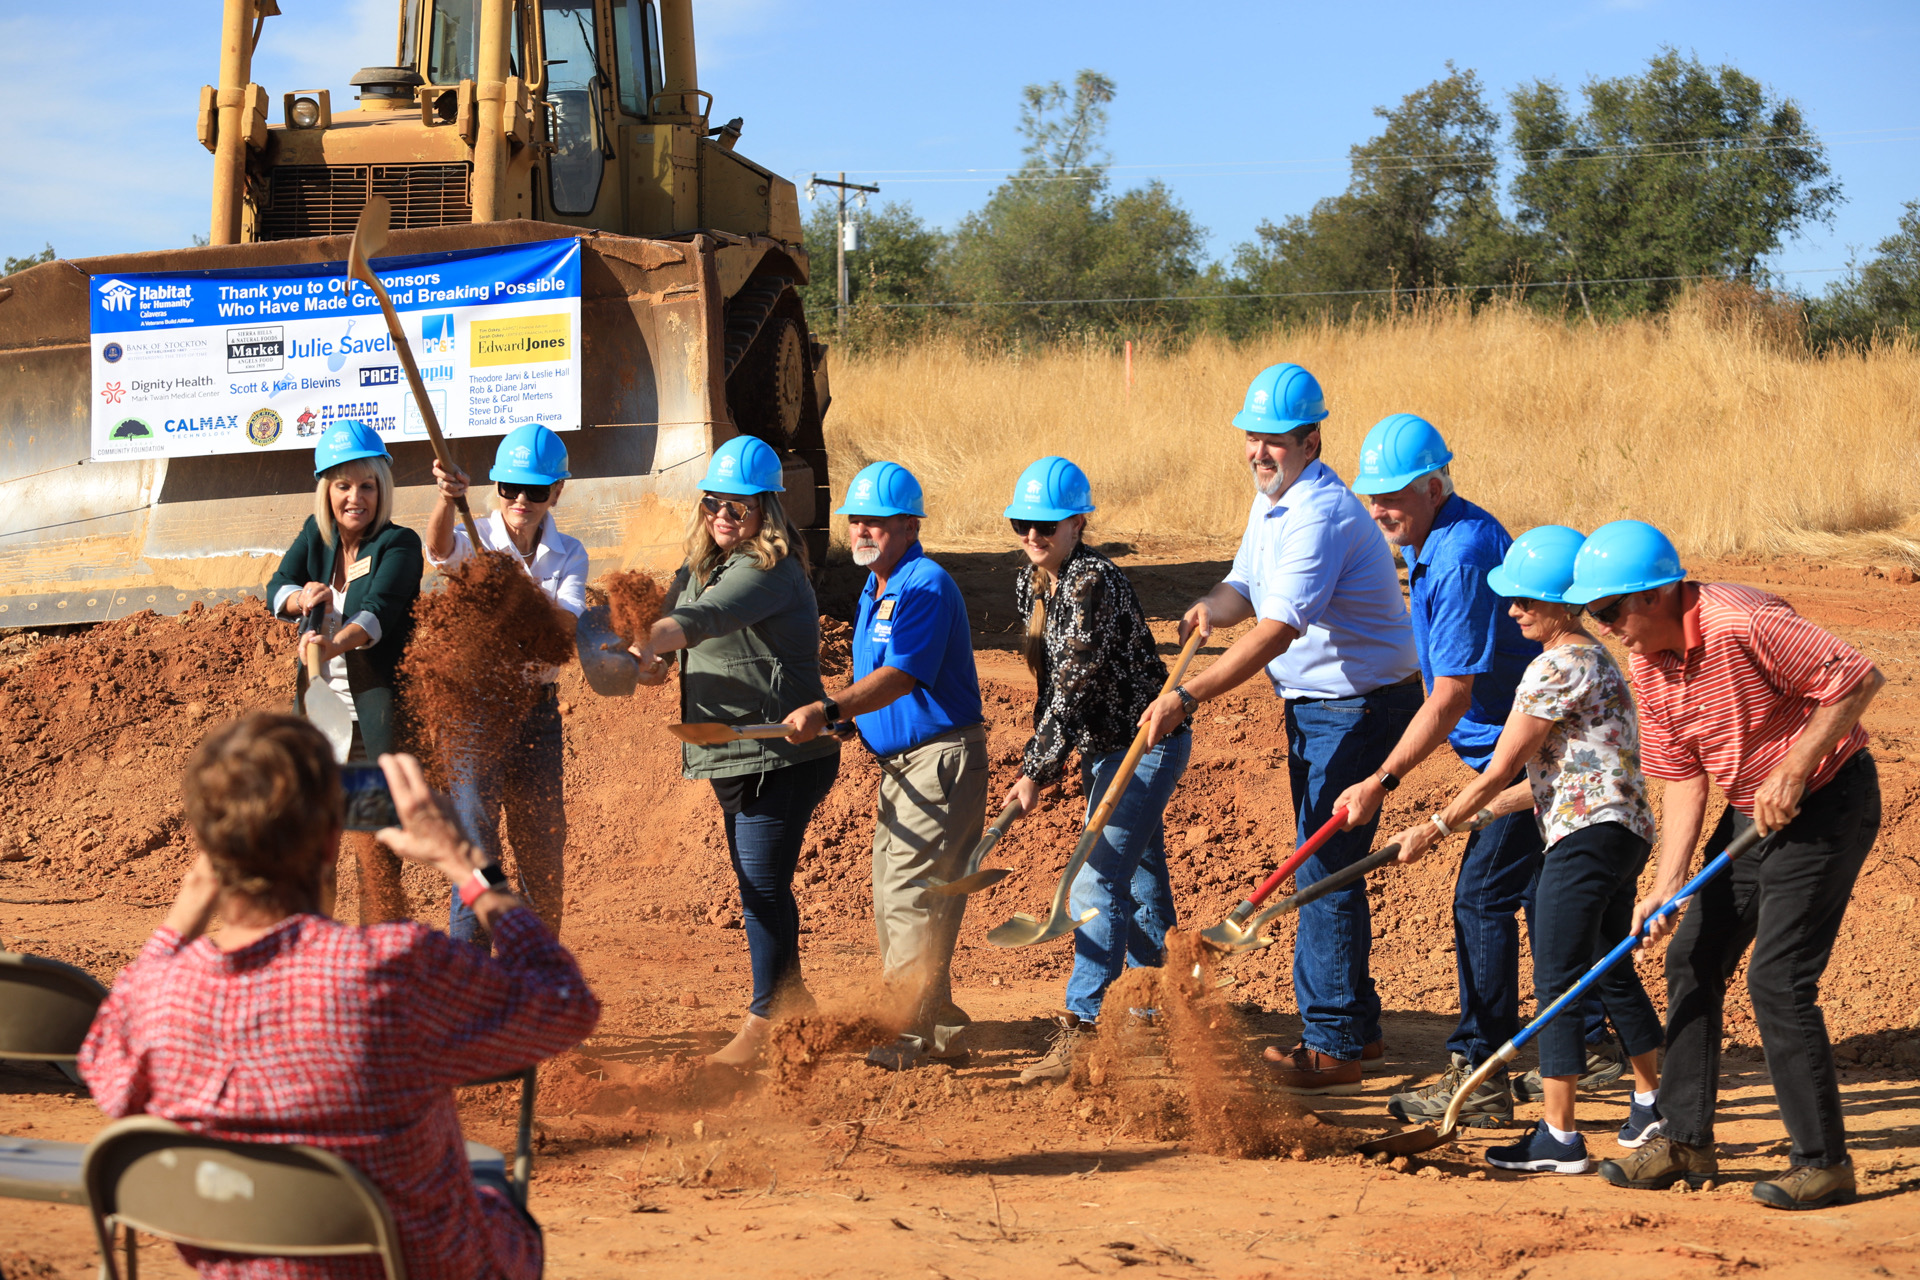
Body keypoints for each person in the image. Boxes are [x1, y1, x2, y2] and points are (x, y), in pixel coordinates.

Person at [78, 712, 601, 1280]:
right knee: (496, 1202)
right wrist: (465, 863)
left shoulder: (156, 995)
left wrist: (188, 906)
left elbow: (103, 1064)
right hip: (417, 1267)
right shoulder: (392, 968)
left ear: (207, 845)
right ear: (333, 837)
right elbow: (565, 1002)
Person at [1571, 522, 1885, 1210]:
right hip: (1750, 812)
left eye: (1607, 612)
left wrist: (1796, 769)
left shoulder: (1743, 623)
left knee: (1778, 977)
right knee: (1692, 958)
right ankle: (1685, 1141)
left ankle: (1823, 1162)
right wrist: (1664, 887)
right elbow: (1683, 779)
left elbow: (1858, 676)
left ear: (1654, 595)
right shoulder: (1649, 664)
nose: (1605, 627)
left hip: (1828, 801)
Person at [1138, 363, 1421, 1095]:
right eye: (1252, 439)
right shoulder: (1274, 503)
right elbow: (1244, 588)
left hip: (1358, 708)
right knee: (1325, 861)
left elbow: (1275, 632)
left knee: (1322, 869)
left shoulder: (1320, 513)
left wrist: (1188, 696)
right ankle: (1355, 1026)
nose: (1260, 453)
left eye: (1275, 441)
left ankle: (1332, 1045)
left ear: (1311, 439)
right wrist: (1210, 605)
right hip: (1319, 708)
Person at [1338, 414, 1618, 1126]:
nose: (1380, 510)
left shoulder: (1459, 555)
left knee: (1482, 899)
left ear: (1435, 486)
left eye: (1394, 495)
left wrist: (1383, 781)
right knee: (1538, 902)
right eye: (1372, 497)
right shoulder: (1437, 537)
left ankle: (1481, 1075)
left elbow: (1451, 694)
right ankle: (1590, 1039)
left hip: (1529, 761)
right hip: (1526, 756)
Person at [1388, 526, 1666, 1174]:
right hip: (1617, 831)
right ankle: (1654, 1099)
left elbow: (1498, 769)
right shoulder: (1595, 660)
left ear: (1563, 605)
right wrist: (1468, 819)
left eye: (1526, 600)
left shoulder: (1554, 666)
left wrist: (1435, 825)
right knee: (1606, 964)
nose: (1512, 609)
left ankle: (1560, 1137)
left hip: (1584, 838)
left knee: (1560, 980)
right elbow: (1550, 781)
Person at [628, 434, 840, 1067]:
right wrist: (652, 661)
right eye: (714, 502)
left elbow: (706, 620)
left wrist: (649, 639)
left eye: (739, 506)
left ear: (766, 511)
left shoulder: (764, 569)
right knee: (762, 884)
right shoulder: (698, 569)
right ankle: (796, 1008)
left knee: (761, 884)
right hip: (734, 753)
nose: (723, 514)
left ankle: (764, 1018)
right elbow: (675, 634)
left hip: (784, 753)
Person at [980, 459, 1191, 1084]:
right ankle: (1163, 1012)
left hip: (1145, 745)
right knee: (1141, 880)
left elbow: (1073, 685)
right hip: (1105, 748)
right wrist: (1040, 764)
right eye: (1023, 522)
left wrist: (1039, 768)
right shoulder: (1035, 584)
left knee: (1093, 884)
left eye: (1047, 523)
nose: (1033, 534)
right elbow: (1052, 689)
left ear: (1078, 522)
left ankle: (1086, 1027)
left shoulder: (1090, 581)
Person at [783, 461, 987, 1072]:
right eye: (856, 520)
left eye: (877, 521)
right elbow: (885, 686)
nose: (862, 530)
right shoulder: (881, 587)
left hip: (936, 761)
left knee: (907, 895)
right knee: (920, 892)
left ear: (907, 525)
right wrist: (848, 720)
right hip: (908, 765)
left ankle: (910, 1030)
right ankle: (939, 1021)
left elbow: (901, 676)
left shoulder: (922, 584)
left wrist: (829, 706)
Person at [425, 423, 589, 943]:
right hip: (476, 713)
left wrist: (515, 592)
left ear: (556, 492)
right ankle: (468, 989)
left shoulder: (571, 554)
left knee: (540, 848)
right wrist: (448, 500)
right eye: (510, 489)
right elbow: (438, 550)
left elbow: (564, 630)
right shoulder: (478, 536)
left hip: (537, 714)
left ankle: (536, 984)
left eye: (536, 490)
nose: (521, 499)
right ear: (496, 489)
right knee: (477, 851)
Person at [265, 420, 423, 923]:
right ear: (326, 491)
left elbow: (379, 612)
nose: (356, 497)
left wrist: (332, 644)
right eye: (343, 486)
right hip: (319, 719)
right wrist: (299, 597)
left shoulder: (399, 544)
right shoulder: (318, 536)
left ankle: (376, 955)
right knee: (314, 846)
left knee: (377, 851)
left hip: (374, 720)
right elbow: (278, 584)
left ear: (383, 489)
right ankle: (315, 949)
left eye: (367, 485)